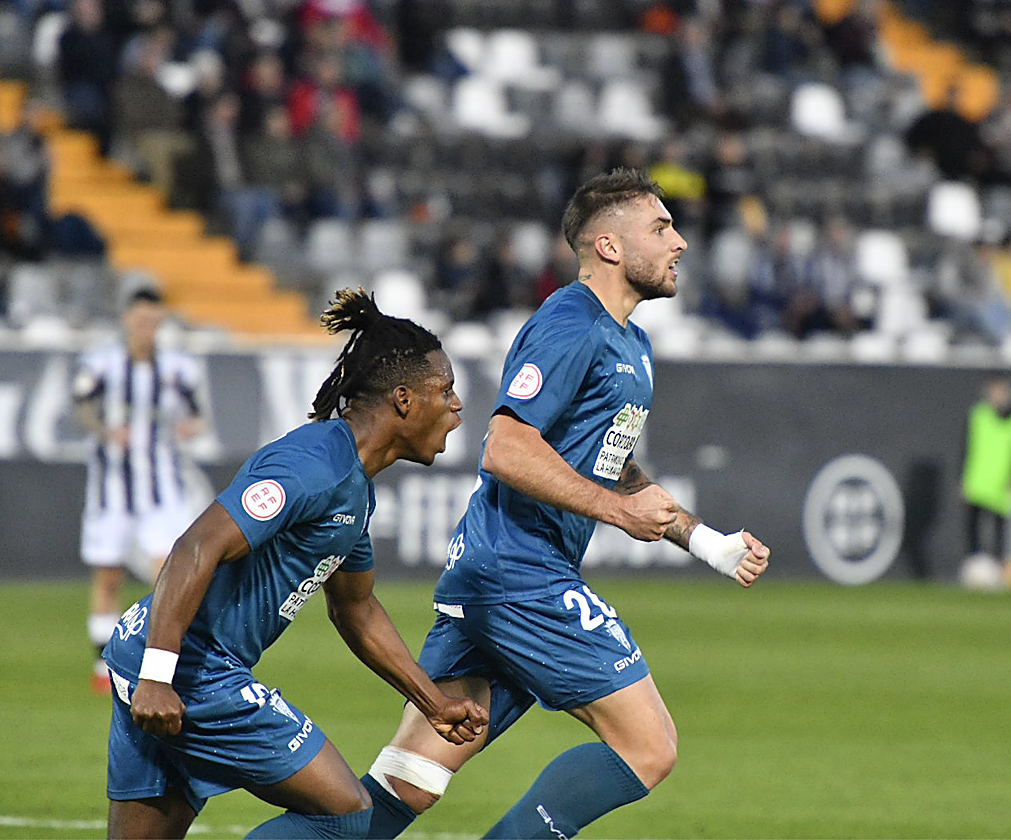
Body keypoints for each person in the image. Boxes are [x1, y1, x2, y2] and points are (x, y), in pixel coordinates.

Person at [358, 168, 771, 840]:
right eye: (661, 227)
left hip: (496, 576)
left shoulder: (630, 343)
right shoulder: (570, 321)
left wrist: (705, 542)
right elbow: (506, 447)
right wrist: (618, 514)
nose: (682, 242)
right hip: (521, 572)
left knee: (412, 779)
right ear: (608, 246)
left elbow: (608, 462)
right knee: (650, 747)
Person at [101, 289, 488, 840]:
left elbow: (356, 609)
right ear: (404, 399)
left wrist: (433, 703)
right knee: (346, 812)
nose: (456, 405)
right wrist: (159, 677)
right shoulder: (313, 465)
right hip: (190, 669)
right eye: (445, 389)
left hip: (151, 656)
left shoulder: (353, 490)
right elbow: (195, 547)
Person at [74, 288, 206, 694]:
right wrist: (105, 430)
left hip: (161, 488)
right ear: (127, 320)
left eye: (154, 321)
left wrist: (190, 426)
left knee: (166, 573)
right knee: (108, 575)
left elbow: (198, 415)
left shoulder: (178, 368)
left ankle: (156, 656)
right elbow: (82, 406)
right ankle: (102, 664)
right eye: (141, 320)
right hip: (111, 488)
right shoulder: (101, 363)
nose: (147, 329)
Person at [961, 373, 1011, 575]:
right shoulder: (978, 415)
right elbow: (966, 447)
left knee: (999, 530)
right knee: (973, 527)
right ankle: (973, 570)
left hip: (1002, 484)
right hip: (978, 481)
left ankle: (998, 570)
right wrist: (963, 477)